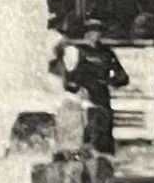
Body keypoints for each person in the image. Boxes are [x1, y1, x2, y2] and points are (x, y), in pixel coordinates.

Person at [50, 16, 129, 156]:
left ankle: (105, 160)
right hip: (84, 98)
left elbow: (122, 76)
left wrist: (111, 81)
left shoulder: (106, 53)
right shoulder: (76, 51)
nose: (94, 35)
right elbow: (68, 77)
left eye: (98, 32)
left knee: (103, 130)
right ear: (85, 33)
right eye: (91, 32)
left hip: (102, 97)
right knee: (87, 130)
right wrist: (76, 88)